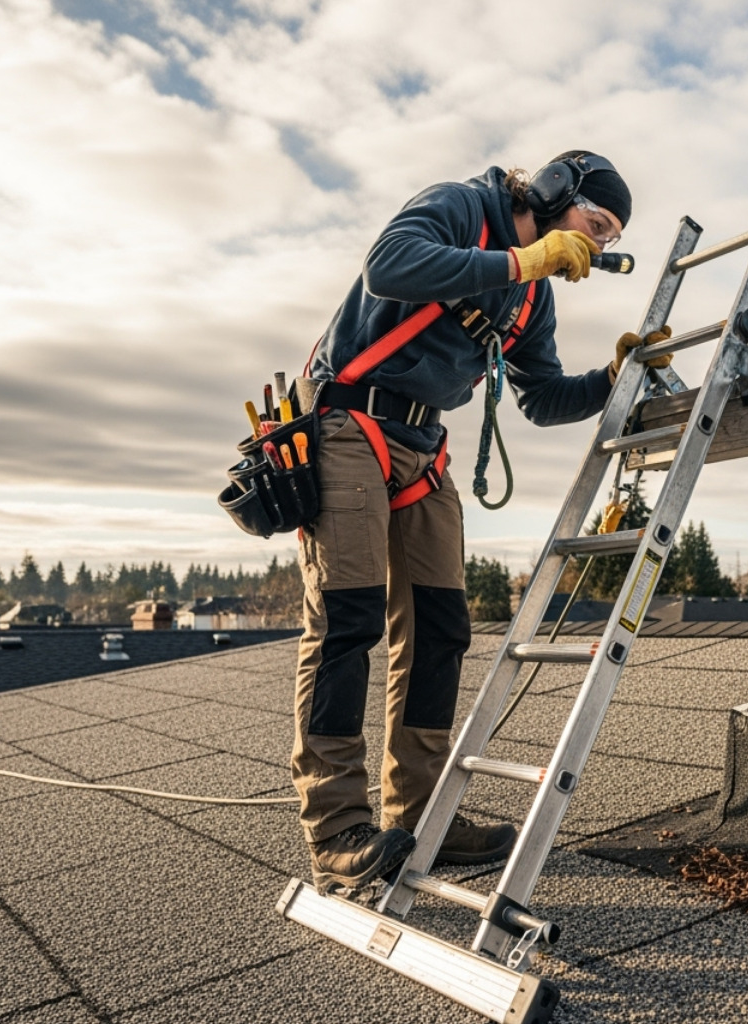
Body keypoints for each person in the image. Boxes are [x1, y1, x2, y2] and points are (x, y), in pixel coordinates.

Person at [293, 151, 671, 889]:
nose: (593, 249)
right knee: (347, 620)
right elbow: (390, 266)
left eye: (607, 240)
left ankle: (420, 813)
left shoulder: (534, 297)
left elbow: (542, 400)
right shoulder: (463, 207)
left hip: (421, 445)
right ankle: (335, 830)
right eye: (593, 227)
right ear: (558, 192)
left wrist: (612, 378)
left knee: (440, 628)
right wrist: (522, 260)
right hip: (348, 424)